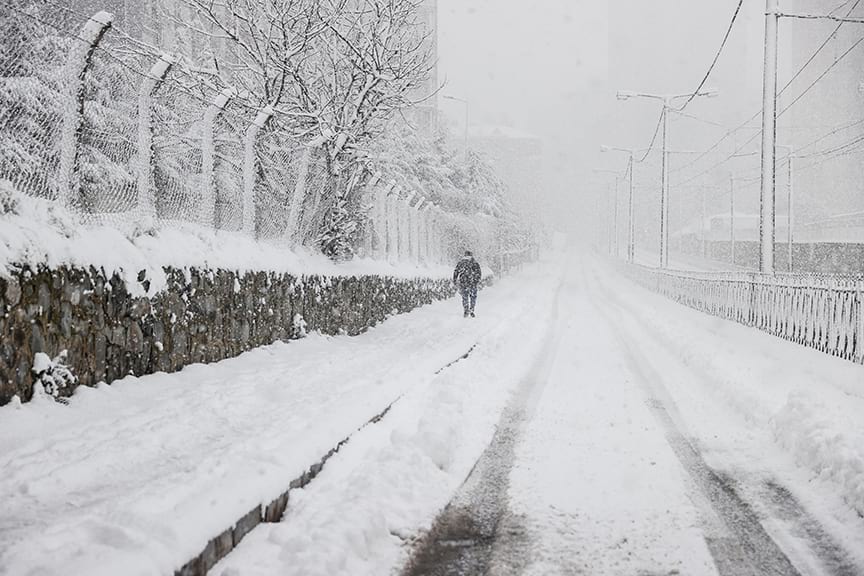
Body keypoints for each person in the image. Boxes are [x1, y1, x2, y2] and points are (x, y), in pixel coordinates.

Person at [453, 250, 482, 317]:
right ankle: (472, 310)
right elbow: (478, 273)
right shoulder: (474, 263)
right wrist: (477, 280)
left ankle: (466, 310)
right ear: (471, 255)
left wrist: (455, 279)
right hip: (473, 283)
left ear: (465, 255)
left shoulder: (461, 263)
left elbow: (456, 271)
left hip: (463, 282)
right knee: (473, 297)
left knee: (465, 297)